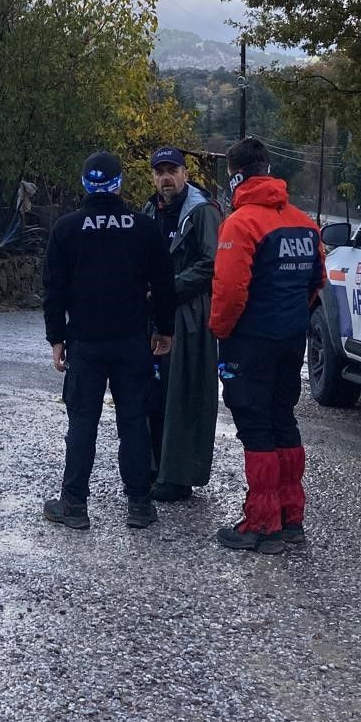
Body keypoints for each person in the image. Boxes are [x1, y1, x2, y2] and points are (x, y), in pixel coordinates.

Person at [42, 150, 176, 531]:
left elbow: (53, 289)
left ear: (85, 184)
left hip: (86, 341)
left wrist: (57, 338)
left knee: (82, 421)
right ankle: (139, 504)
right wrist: (164, 330)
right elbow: (164, 285)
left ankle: (74, 504)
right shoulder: (143, 227)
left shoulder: (67, 228)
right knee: (133, 421)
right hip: (133, 341)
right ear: (118, 184)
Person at [210, 137, 325, 553]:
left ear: (235, 173)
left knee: (254, 425)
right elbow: (317, 283)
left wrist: (220, 331)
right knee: (283, 419)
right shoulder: (304, 223)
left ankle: (262, 524)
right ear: (269, 168)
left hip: (250, 340)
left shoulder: (240, 223)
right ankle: (292, 517)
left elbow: (229, 290)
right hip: (291, 338)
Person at [140, 146, 222, 502]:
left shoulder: (202, 212)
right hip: (151, 314)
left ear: (186, 174)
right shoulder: (149, 210)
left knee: (184, 395)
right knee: (152, 393)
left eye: (172, 170)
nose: (165, 178)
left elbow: (210, 264)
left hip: (189, 313)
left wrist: (165, 289)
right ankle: (152, 467)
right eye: (159, 172)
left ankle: (179, 476)